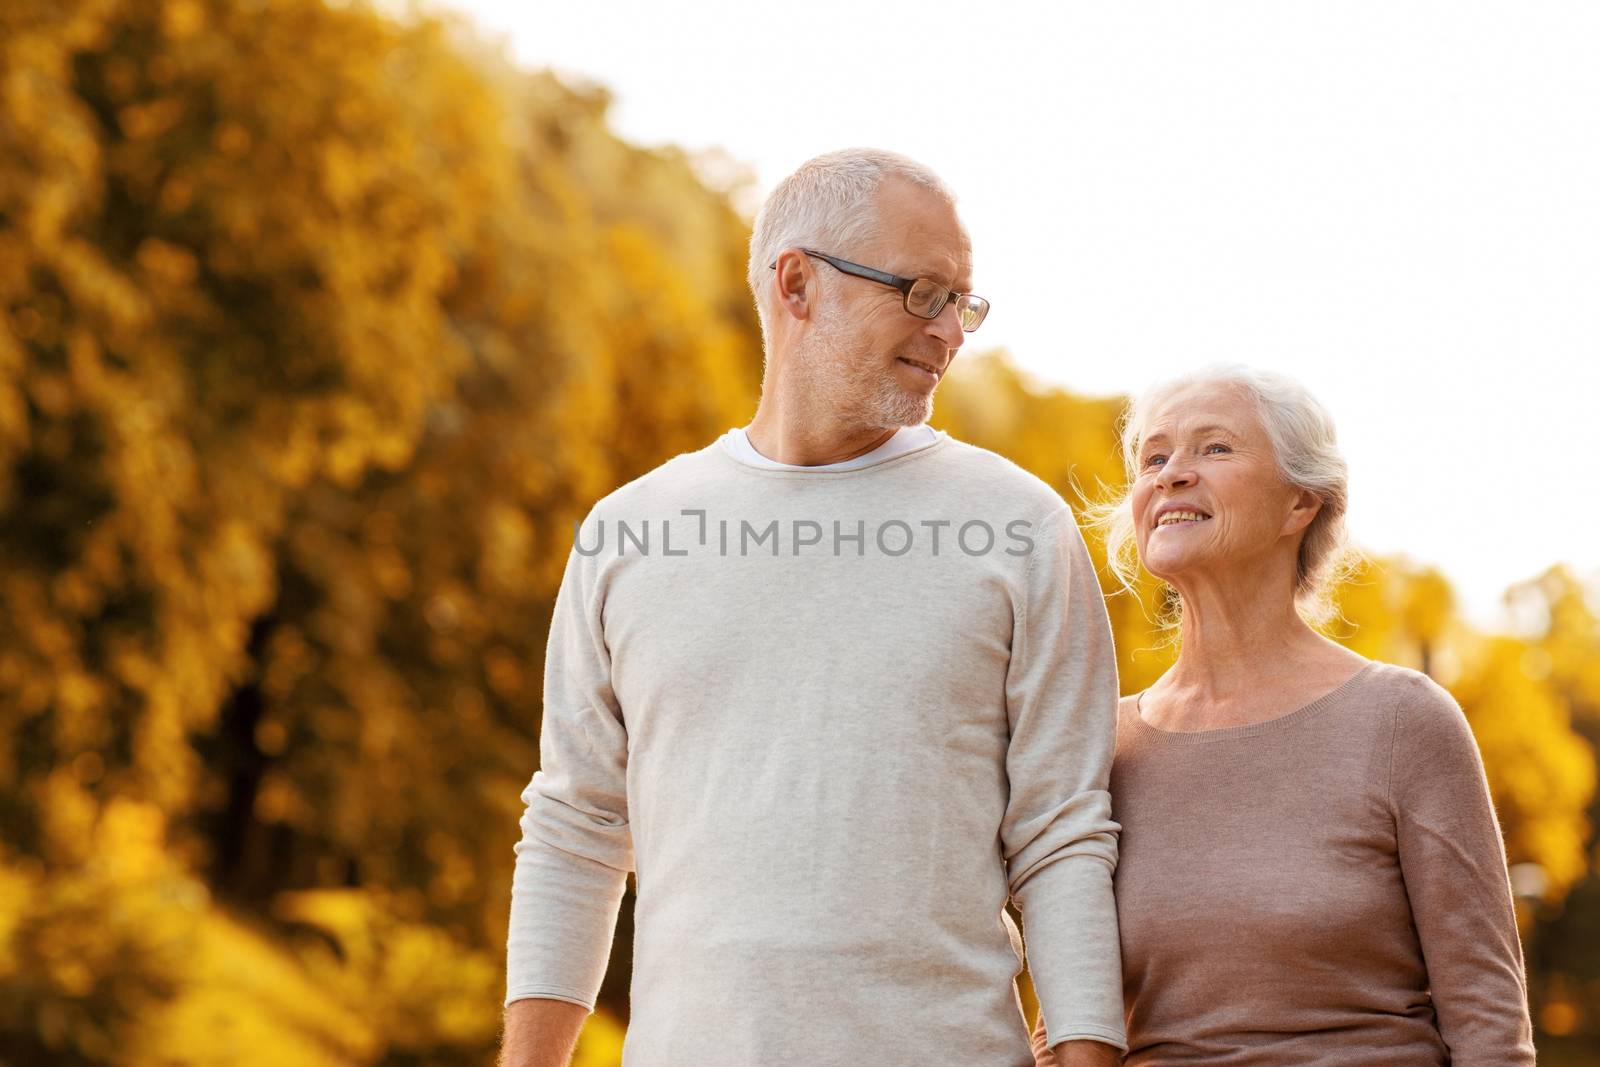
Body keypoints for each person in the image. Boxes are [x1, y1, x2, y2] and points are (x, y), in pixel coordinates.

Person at [500, 148, 1128, 1067]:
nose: (951, 331)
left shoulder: (1018, 527)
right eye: (922, 293)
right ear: (797, 283)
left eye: (963, 301)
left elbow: (1062, 835)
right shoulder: (628, 532)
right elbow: (576, 830)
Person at [1033, 365, 1536, 1066]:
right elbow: (1067, 1010)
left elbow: (1488, 1021)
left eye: (1214, 448)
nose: (1172, 474)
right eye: (1154, 457)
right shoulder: (1100, 744)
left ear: (1301, 502)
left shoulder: (1403, 719)